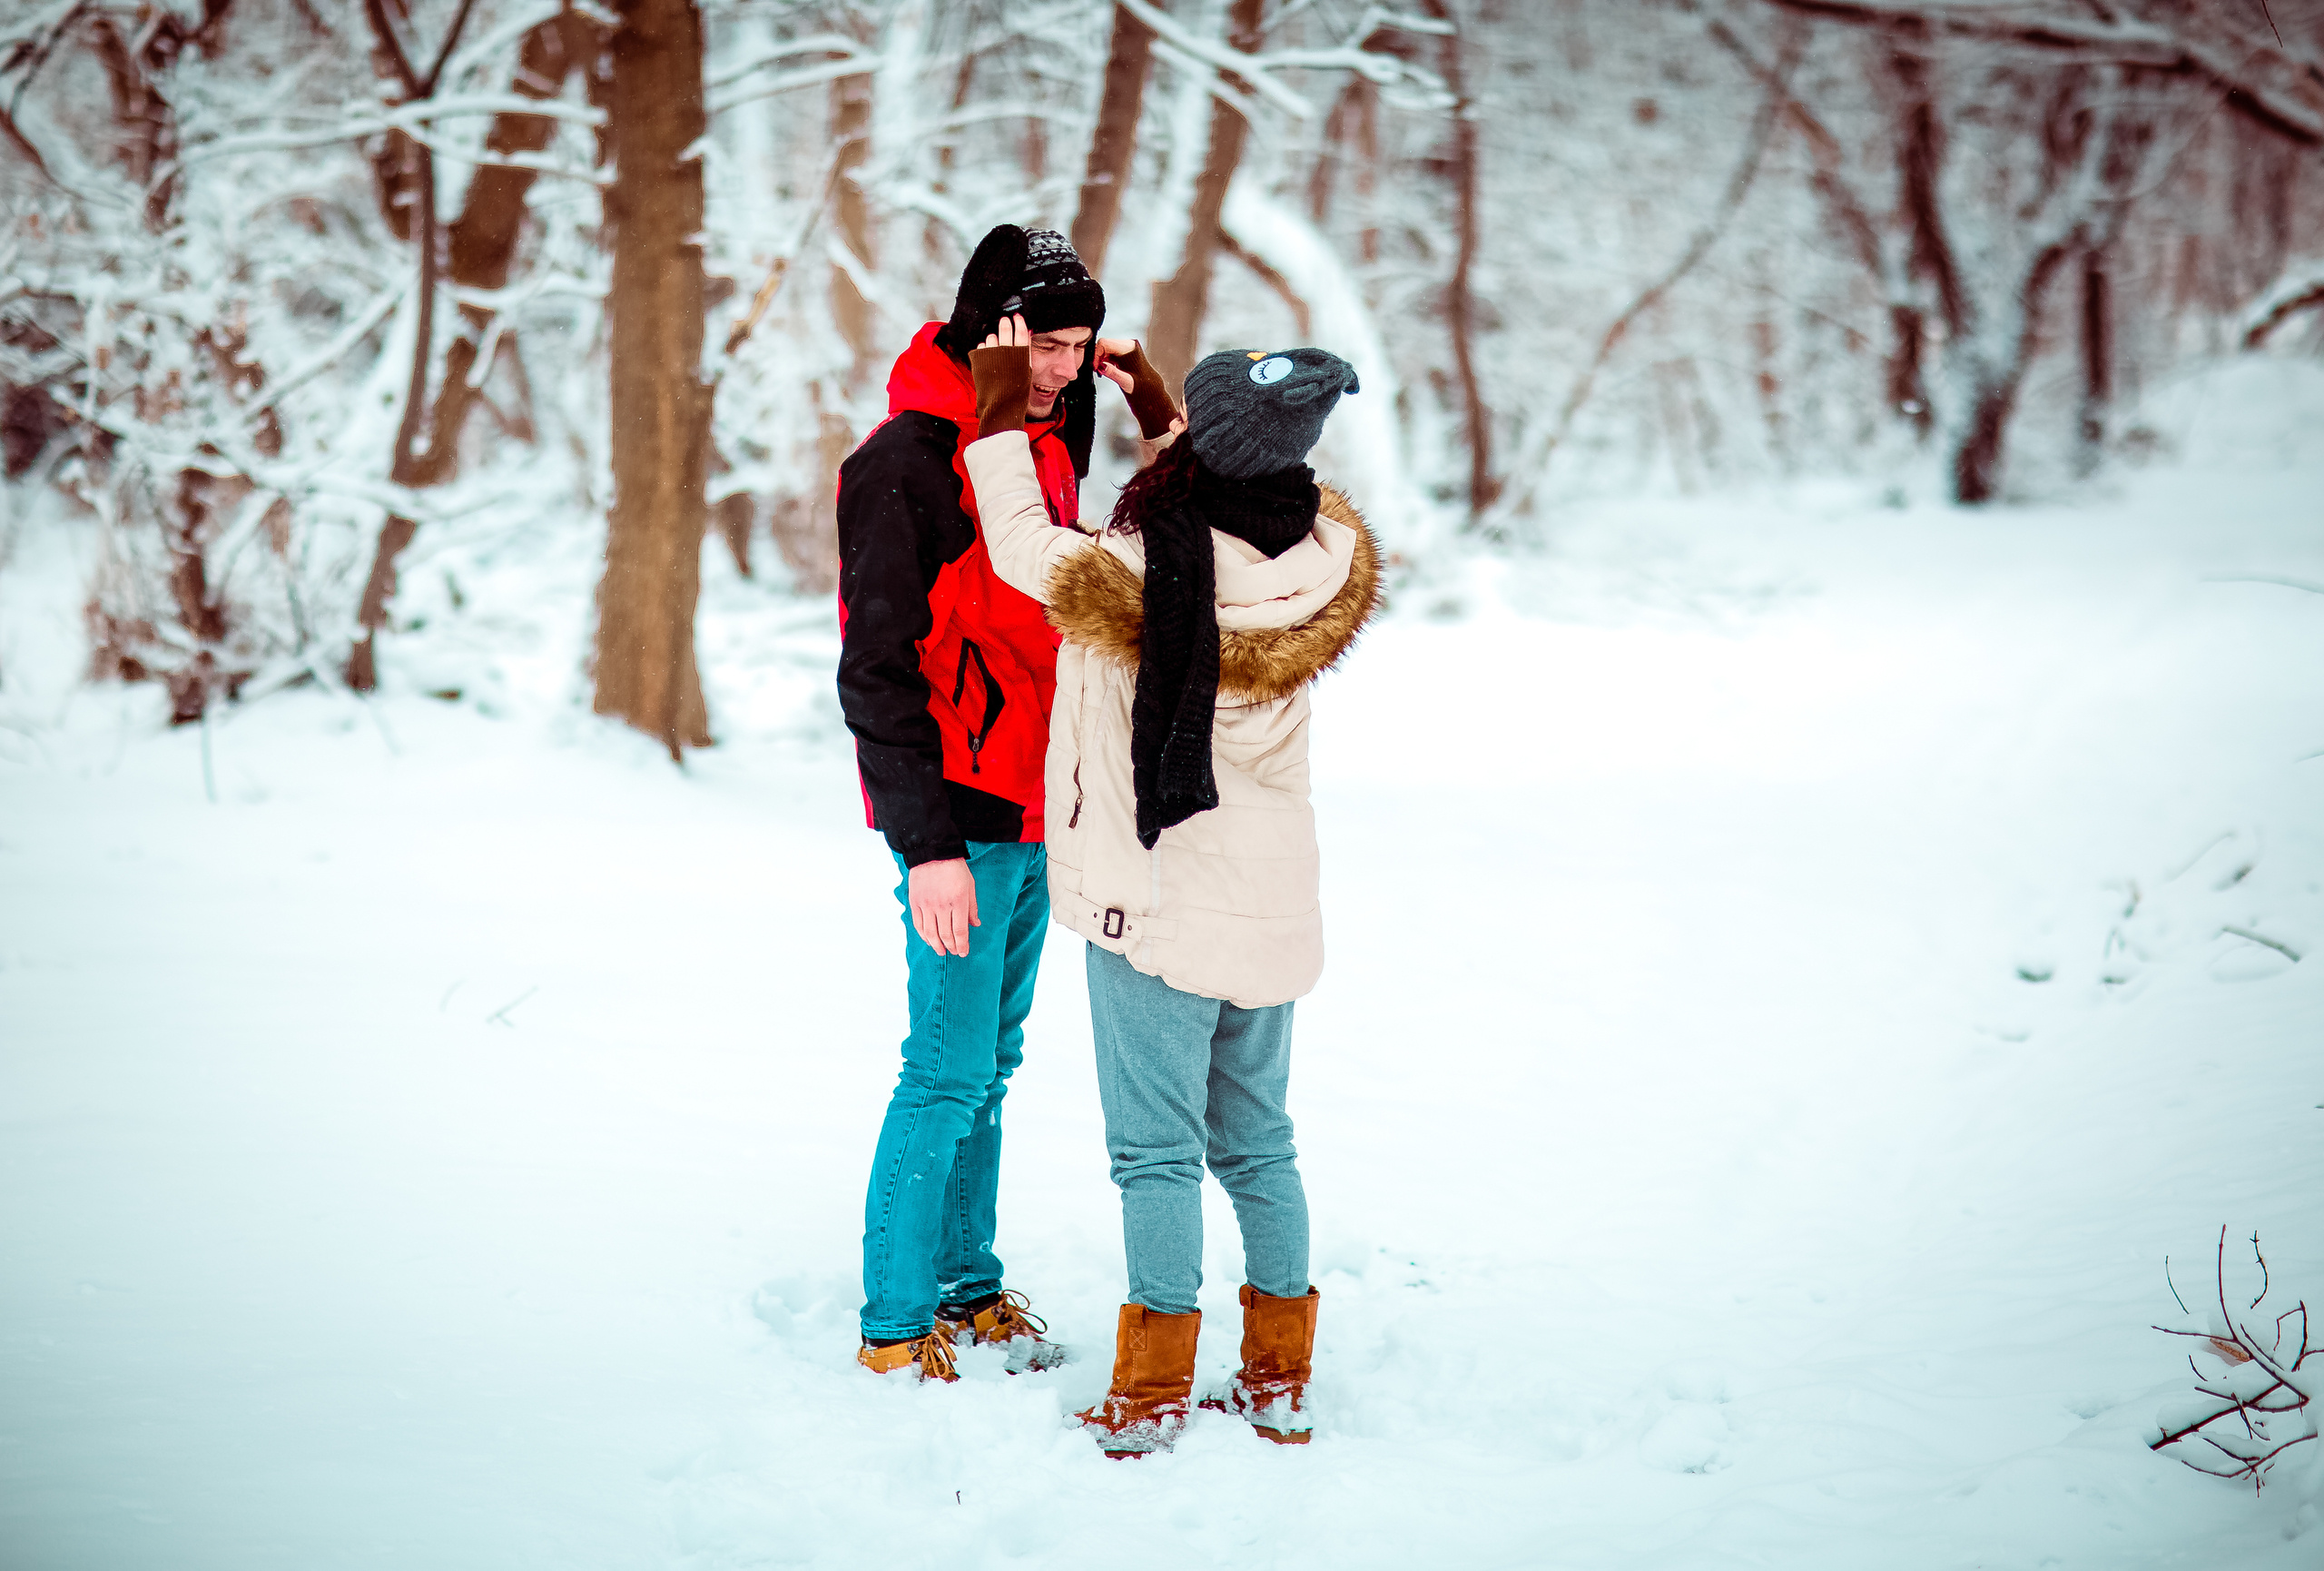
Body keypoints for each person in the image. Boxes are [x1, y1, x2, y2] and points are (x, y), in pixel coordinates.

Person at [958, 317, 1376, 1453]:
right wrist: (1145, 389)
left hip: (1162, 901)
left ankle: (1149, 1392)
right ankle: (1280, 1376)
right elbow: (1220, 458)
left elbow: (1024, 545)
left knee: (1154, 1153)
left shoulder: (1146, 572)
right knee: (1259, 1144)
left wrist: (998, 403)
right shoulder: (1317, 543)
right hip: (1270, 900)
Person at [834, 226, 1143, 1380]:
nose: (1063, 369)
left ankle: (967, 1286)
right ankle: (893, 1324)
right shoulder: (906, 462)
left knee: (991, 1061)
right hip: (958, 820)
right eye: (1042, 345)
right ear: (989, 335)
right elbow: (874, 670)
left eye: (1079, 346)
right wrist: (926, 847)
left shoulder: (1038, 441)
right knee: (945, 1067)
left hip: (1032, 807)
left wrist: (1141, 396)